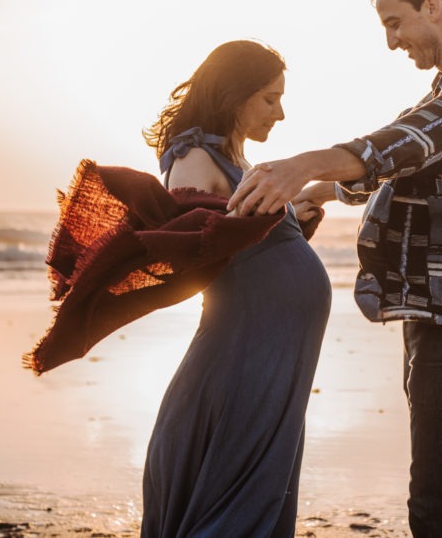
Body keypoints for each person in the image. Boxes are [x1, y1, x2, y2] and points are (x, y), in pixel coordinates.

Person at [228, 0, 442, 537]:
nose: (392, 42)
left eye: (396, 22)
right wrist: (322, 188)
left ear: (433, 6)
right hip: (436, 311)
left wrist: (303, 163)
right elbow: (398, 164)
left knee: (435, 502)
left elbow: (406, 143)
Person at [140, 40, 331, 537]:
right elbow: (191, 253)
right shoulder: (196, 160)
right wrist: (263, 229)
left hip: (276, 353)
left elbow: (240, 246)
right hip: (247, 354)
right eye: (270, 98)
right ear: (234, 95)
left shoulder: (232, 158)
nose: (281, 112)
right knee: (237, 484)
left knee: (263, 480)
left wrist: (290, 223)